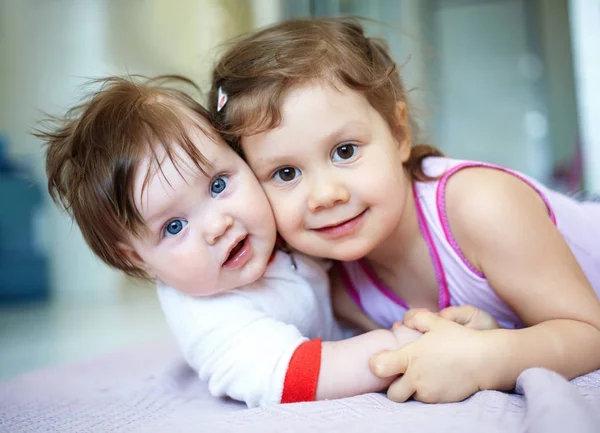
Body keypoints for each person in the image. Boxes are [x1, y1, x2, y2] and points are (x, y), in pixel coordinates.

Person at [38, 75, 498, 407]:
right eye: (173, 226)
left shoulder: (272, 223)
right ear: (134, 258)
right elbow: (295, 376)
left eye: (219, 185)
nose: (217, 224)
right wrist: (410, 345)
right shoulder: (213, 323)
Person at [209, 16, 600, 403]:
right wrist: (492, 335)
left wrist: (487, 358)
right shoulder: (340, 288)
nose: (325, 194)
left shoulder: (480, 207)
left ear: (399, 134)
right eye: (285, 173)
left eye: (344, 151)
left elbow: (590, 332)